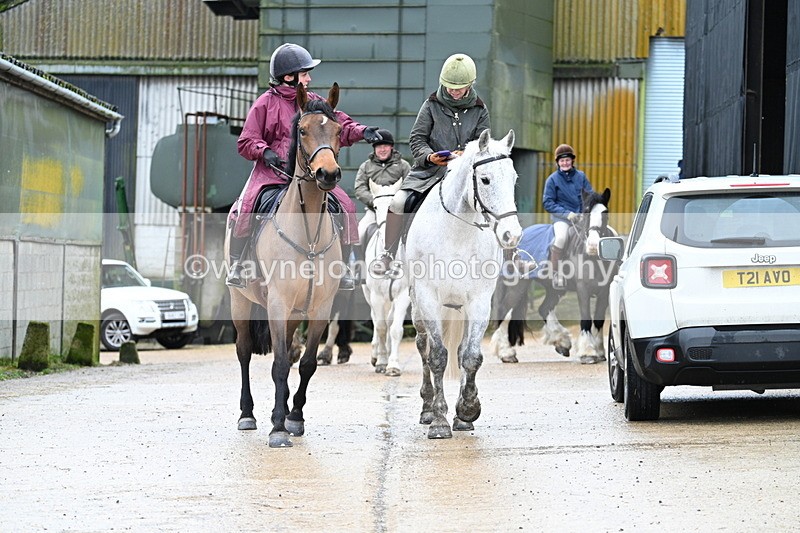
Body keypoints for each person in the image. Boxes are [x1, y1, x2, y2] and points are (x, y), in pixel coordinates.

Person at [227, 43, 382, 289]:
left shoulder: (315, 102)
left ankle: (346, 266)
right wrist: (264, 151)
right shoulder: (265, 103)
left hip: (309, 173)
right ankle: (238, 264)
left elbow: (339, 124)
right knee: (246, 205)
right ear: (289, 77)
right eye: (305, 73)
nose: (309, 78)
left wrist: (364, 131)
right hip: (273, 173)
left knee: (346, 204)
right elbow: (246, 141)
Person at [370, 53, 490, 278]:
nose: (454, 92)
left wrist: (464, 154)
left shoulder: (480, 109)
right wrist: (429, 157)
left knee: (492, 199)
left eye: (459, 88)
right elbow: (417, 139)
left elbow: (482, 144)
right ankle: (388, 254)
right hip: (429, 172)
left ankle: (511, 255)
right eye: (450, 87)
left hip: (464, 175)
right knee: (398, 201)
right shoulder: (431, 104)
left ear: (470, 85)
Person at [542, 143, 594, 289]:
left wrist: (584, 213)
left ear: (572, 161)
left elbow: (589, 196)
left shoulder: (581, 176)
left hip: (581, 217)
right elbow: (547, 202)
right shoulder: (552, 180)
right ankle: (556, 273)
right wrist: (567, 214)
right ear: (558, 162)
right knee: (561, 238)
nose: (565, 163)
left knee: (594, 234)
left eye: (567, 160)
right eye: (562, 160)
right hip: (562, 219)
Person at [354, 128, 411, 249]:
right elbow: (359, 188)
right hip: (373, 210)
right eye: (379, 146)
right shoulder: (366, 166)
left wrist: (397, 200)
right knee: (359, 233)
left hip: (397, 211)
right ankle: (360, 266)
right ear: (374, 148)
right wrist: (374, 201)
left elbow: (409, 186)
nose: (382, 149)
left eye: (385, 146)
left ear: (391, 147)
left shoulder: (403, 165)